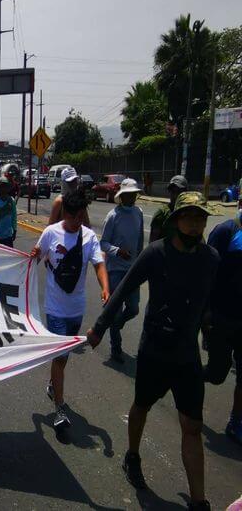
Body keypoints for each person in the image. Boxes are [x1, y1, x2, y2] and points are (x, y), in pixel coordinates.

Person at [86, 192, 218, 510]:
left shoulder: (211, 258)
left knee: (193, 426)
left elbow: (209, 306)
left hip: (187, 357)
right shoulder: (156, 255)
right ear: (176, 221)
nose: (195, 223)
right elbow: (123, 289)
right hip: (155, 351)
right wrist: (99, 328)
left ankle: (199, 501)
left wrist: (214, 345)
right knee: (141, 407)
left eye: (200, 217)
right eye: (189, 217)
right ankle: (133, 455)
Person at [30, 189, 109, 430]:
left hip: (76, 308)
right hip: (55, 309)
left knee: (63, 361)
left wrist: (105, 288)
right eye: (72, 216)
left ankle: (54, 384)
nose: (76, 221)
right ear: (65, 213)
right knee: (60, 355)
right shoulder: (50, 233)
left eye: (80, 216)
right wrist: (33, 255)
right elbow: (35, 256)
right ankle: (60, 408)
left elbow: (98, 263)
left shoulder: (89, 237)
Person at [204, 209, 242, 444]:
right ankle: (188, 381)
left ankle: (236, 422)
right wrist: (205, 312)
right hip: (222, 316)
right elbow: (206, 273)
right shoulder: (226, 231)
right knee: (217, 374)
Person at [99, 178, 144, 363]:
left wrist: (141, 261)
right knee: (116, 310)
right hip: (115, 270)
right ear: (121, 196)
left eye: (134, 194)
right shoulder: (113, 216)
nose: (132, 197)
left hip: (132, 269)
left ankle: (116, 325)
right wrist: (117, 251)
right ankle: (115, 348)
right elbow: (103, 243)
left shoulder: (139, 212)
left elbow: (140, 239)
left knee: (133, 309)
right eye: (128, 194)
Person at [150, 175, 188, 243]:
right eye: (173, 192)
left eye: (179, 192)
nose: (175, 196)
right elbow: (152, 243)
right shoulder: (162, 213)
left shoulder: (190, 213)